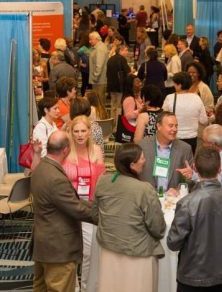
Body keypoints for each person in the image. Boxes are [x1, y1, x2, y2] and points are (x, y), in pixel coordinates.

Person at [167, 146, 222, 292]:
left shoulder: (186, 203)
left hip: (191, 277)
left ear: (195, 169)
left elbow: (173, 243)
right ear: (219, 169)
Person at [93, 143, 166, 292]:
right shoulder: (144, 189)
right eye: (142, 158)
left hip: (109, 249)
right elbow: (158, 227)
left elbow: (95, 213)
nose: (145, 161)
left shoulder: (103, 181)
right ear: (132, 164)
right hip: (138, 254)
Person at [31, 131, 97, 292]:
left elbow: (67, 202)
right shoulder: (56, 178)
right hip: (58, 248)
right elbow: (75, 209)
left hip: (43, 243)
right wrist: (104, 215)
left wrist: (92, 205)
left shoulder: (41, 167)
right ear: (66, 150)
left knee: (40, 288)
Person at [62, 116, 105, 292]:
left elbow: (101, 181)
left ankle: (87, 287)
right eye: (76, 131)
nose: (80, 135)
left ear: (89, 132)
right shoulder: (65, 151)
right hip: (68, 208)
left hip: (88, 208)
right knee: (69, 253)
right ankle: (73, 286)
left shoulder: (96, 150)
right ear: (71, 133)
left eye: (83, 131)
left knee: (88, 253)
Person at [138, 111, 193, 192]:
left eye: (176, 126)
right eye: (171, 126)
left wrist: (180, 189)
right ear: (159, 126)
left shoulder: (185, 149)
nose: (174, 129)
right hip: (147, 197)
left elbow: (191, 180)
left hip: (172, 200)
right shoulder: (143, 146)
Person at [163, 72, 208, 154]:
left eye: (175, 84)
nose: (174, 86)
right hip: (192, 138)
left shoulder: (170, 98)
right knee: (188, 163)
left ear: (180, 85)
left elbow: (163, 118)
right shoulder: (196, 98)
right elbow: (204, 120)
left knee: (174, 162)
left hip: (174, 136)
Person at [106, 44, 131, 130]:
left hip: (111, 85)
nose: (127, 52)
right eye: (126, 50)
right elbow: (128, 71)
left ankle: (112, 124)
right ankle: (117, 126)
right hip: (120, 86)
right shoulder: (122, 59)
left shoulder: (110, 59)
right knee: (119, 106)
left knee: (113, 106)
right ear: (120, 51)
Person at [88, 31, 108, 108]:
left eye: (91, 39)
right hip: (98, 79)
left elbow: (99, 65)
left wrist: (95, 77)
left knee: (99, 102)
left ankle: (101, 118)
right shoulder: (98, 47)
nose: (89, 41)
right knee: (98, 101)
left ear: (96, 39)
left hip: (99, 80)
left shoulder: (100, 48)